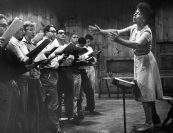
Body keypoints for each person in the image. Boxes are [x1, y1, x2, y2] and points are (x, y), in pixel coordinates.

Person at [89, 2, 163, 131]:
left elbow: (136, 44)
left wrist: (118, 40)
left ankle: (149, 123)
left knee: (145, 91)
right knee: (145, 91)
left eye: (138, 13)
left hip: (146, 61)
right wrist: (101, 31)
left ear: (144, 18)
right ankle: (154, 120)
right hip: (139, 60)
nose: (135, 14)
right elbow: (116, 31)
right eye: (135, 11)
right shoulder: (134, 27)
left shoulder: (147, 31)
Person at [0, 14, 20, 133]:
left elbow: (10, 65)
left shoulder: (7, 44)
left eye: (6, 25)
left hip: (9, 82)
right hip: (1, 84)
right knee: (2, 117)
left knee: (10, 115)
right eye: (2, 25)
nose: (5, 28)